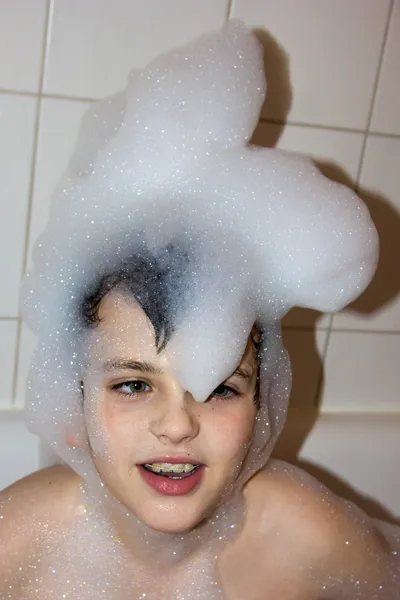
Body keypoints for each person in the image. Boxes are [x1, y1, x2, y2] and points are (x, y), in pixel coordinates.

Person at [1, 21, 399, 600]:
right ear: (75, 395)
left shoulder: (311, 539)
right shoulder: (20, 541)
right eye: (135, 384)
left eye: (220, 389)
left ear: (262, 402)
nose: (178, 423)